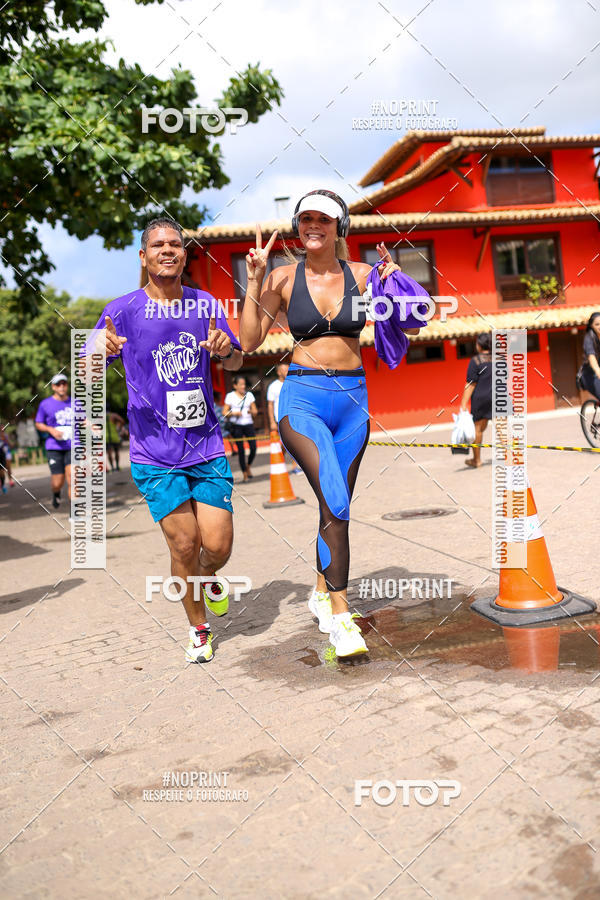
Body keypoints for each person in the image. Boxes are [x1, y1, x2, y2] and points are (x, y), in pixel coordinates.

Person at [240, 189, 419, 657]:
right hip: (303, 400)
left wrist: (397, 282)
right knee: (336, 501)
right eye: (306, 219)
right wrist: (253, 280)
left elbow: (413, 323)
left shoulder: (362, 274)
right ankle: (342, 619)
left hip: (354, 403)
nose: (313, 225)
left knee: (332, 504)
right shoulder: (281, 277)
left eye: (323, 218)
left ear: (339, 226)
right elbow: (249, 339)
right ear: (297, 226)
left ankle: (320, 591)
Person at [93, 217, 243, 663]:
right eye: (157, 245)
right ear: (144, 257)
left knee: (217, 547)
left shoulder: (204, 303)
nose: (167, 250)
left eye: (175, 244)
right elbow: (86, 371)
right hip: (153, 453)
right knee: (183, 544)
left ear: (184, 254)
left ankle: (206, 575)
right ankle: (198, 627)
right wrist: (97, 352)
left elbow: (235, 361)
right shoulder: (121, 310)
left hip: (205, 446)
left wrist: (226, 350)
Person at [35, 374, 73, 508]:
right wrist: (50, 430)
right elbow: (38, 423)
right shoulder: (45, 404)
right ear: (53, 387)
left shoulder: (76, 402)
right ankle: (56, 493)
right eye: (58, 384)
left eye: (64, 383)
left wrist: (91, 425)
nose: (61, 386)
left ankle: (75, 513)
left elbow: (83, 419)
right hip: (54, 447)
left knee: (73, 478)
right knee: (58, 482)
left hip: (73, 446)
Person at [459, 333, 492, 468]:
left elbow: (471, 383)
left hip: (481, 399)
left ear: (479, 345)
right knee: (502, 429)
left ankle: (477, 460)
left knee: (477, 429)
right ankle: (510, 458)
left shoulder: (475, 361)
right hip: (499, 397)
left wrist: (463, 404)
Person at [267, 362, 302, 474]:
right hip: (281, 418)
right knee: (285, 443)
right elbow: (270, 405)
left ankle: (295, 466)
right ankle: (279, 461)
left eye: (288, 369)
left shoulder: (293, 384)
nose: (287, 371)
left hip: (294, 416)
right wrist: (272, 421)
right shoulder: (273, 386)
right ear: (278, 372)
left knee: (295, 441)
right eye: (284, 370)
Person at [223, 375, 258, 482]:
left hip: (248, 424)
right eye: (241, 384)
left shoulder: (249, 395)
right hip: (236, 425)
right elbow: (224, 412)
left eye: (244, 384)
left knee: (253, 447)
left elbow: (255, 411)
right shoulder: (230, 396)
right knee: (241, 450)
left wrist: (252, 411)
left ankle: (248, 466)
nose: (243, 386)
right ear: (235, 386)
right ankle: (244, 473)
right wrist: (234, 413)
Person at [580, 311, 600, 401]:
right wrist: (598, 371)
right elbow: (591, 357)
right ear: (591, 326)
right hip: (590, 375)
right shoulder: (589, 338)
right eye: (597, 324)